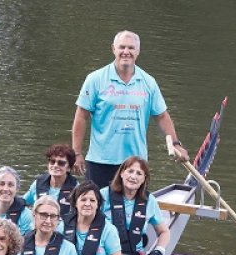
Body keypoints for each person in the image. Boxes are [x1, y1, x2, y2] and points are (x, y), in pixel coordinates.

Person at [71, 30, 189, 189]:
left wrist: (176, 143)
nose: (126, 52)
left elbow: (162, 116)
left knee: (134, 205)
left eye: (131, 48)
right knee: (96, 203)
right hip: (100, 161)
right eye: (122, 47)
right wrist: (77, 153)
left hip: (136, 164)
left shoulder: (148, 82)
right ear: (113, 49)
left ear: (138, 51)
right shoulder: (95, 79)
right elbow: (81, 116)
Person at [100, 156, 170, 255]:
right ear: (122, 173)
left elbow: (164, 231)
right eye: (130, 171)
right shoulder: (103, 195)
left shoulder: (149, 201)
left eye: (139, 173)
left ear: (144, 179)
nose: (133, 176)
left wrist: (159, 250)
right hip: (103, 253)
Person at [59, 181, 123, 255]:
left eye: (92, 200)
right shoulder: (62, 226)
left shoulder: (109, 230)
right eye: (83, 199)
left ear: (98, 204)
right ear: (75, 203)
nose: (87, 204)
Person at [22, 144, 80, 222]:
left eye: (61, 163)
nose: (55, 165)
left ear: (69, 167)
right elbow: (22, 203)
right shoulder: (38, 184)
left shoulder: (76, 188)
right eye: (52, 161)